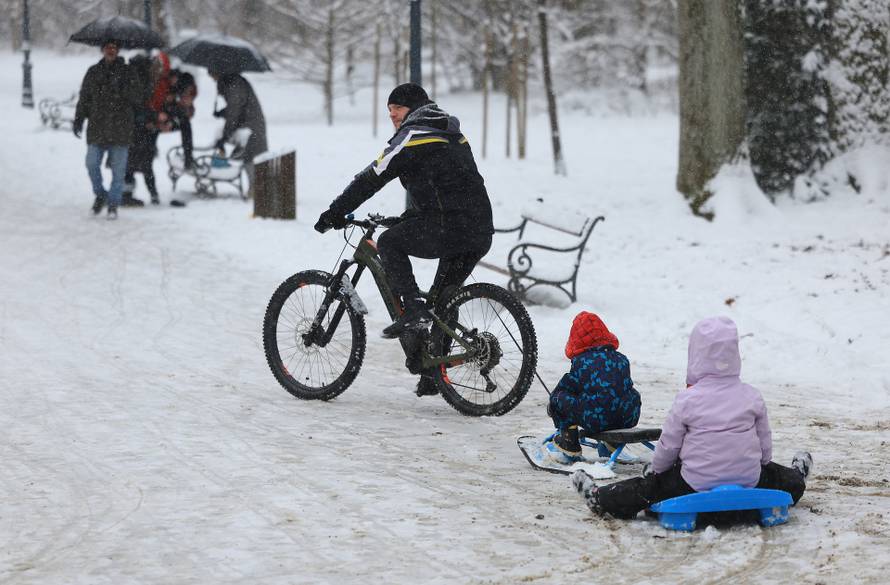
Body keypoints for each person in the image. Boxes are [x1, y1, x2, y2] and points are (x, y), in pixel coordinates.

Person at [313, 83, 494, 396]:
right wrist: (411, 218)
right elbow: (445, 185)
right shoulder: (448, 131)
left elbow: (373, 176)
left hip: (449, 225)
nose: (392, 115)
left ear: (413, 107)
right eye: (389, 110)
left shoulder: (414, 134)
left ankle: (412, 309)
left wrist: (335, 211)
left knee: (389, 242)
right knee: (444, 298)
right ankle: (434, 372)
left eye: (396, 107)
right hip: (477, 228)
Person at [572, 316, 813, 520]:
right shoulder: (752, 396)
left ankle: (601, 499)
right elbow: (764, 445)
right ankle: (797, 476)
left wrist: (658, 471)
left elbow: (669, 445)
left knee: (647, 489)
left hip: (695, 482)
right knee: (781, 478)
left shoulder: (687, 399)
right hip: (748, 479)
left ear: (695, 356)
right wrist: (762, 464)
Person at [542, 312, 641, 464]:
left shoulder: (582, 362)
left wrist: (554, 406)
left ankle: (569, 441)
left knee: (559, 397)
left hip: (596, 419)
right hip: (627, 417)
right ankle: (611, 442)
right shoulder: (621, 359)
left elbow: (566, 387)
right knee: (620, 395)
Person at [73, 40, 141, 219]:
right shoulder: (93, 72)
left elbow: (137, 97)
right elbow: (84, 97)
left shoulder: (128, 72)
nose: (111, 51)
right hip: (98, 128)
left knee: (118, 172)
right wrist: (79, 119)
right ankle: (100, 194)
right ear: (102, 50)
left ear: (118, 50)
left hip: (121, 129)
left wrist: (122, 88)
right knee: (91, 163)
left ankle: (113, 204)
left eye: (114, 48)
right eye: (108, 48)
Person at [210, 68, 267, 196]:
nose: (212, 78)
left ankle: (256, 190)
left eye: (212, 74)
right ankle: (256, 189)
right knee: (248, 156)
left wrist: (225, 135)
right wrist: (222, 112)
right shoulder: (231, 82)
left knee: (250, 156)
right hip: (247, 123)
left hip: (251, 125)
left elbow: (234, 112)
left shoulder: (234, 84)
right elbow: (236, 106)